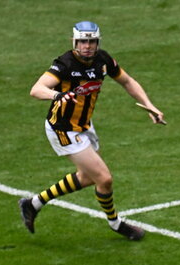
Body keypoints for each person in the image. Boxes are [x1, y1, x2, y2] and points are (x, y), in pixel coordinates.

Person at [19, 21, 165, 241]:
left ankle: (33, 203)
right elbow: (37, 89)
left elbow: (127, 81)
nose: (87, 46)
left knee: (87, 178)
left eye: (92, 41)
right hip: (63, 129)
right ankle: (116, 224)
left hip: (84, 125)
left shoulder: (103, 61)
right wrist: (56, 95)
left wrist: (149, 105)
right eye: (83, 41)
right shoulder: (65, 64)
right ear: (74, 42)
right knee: (104, 179)